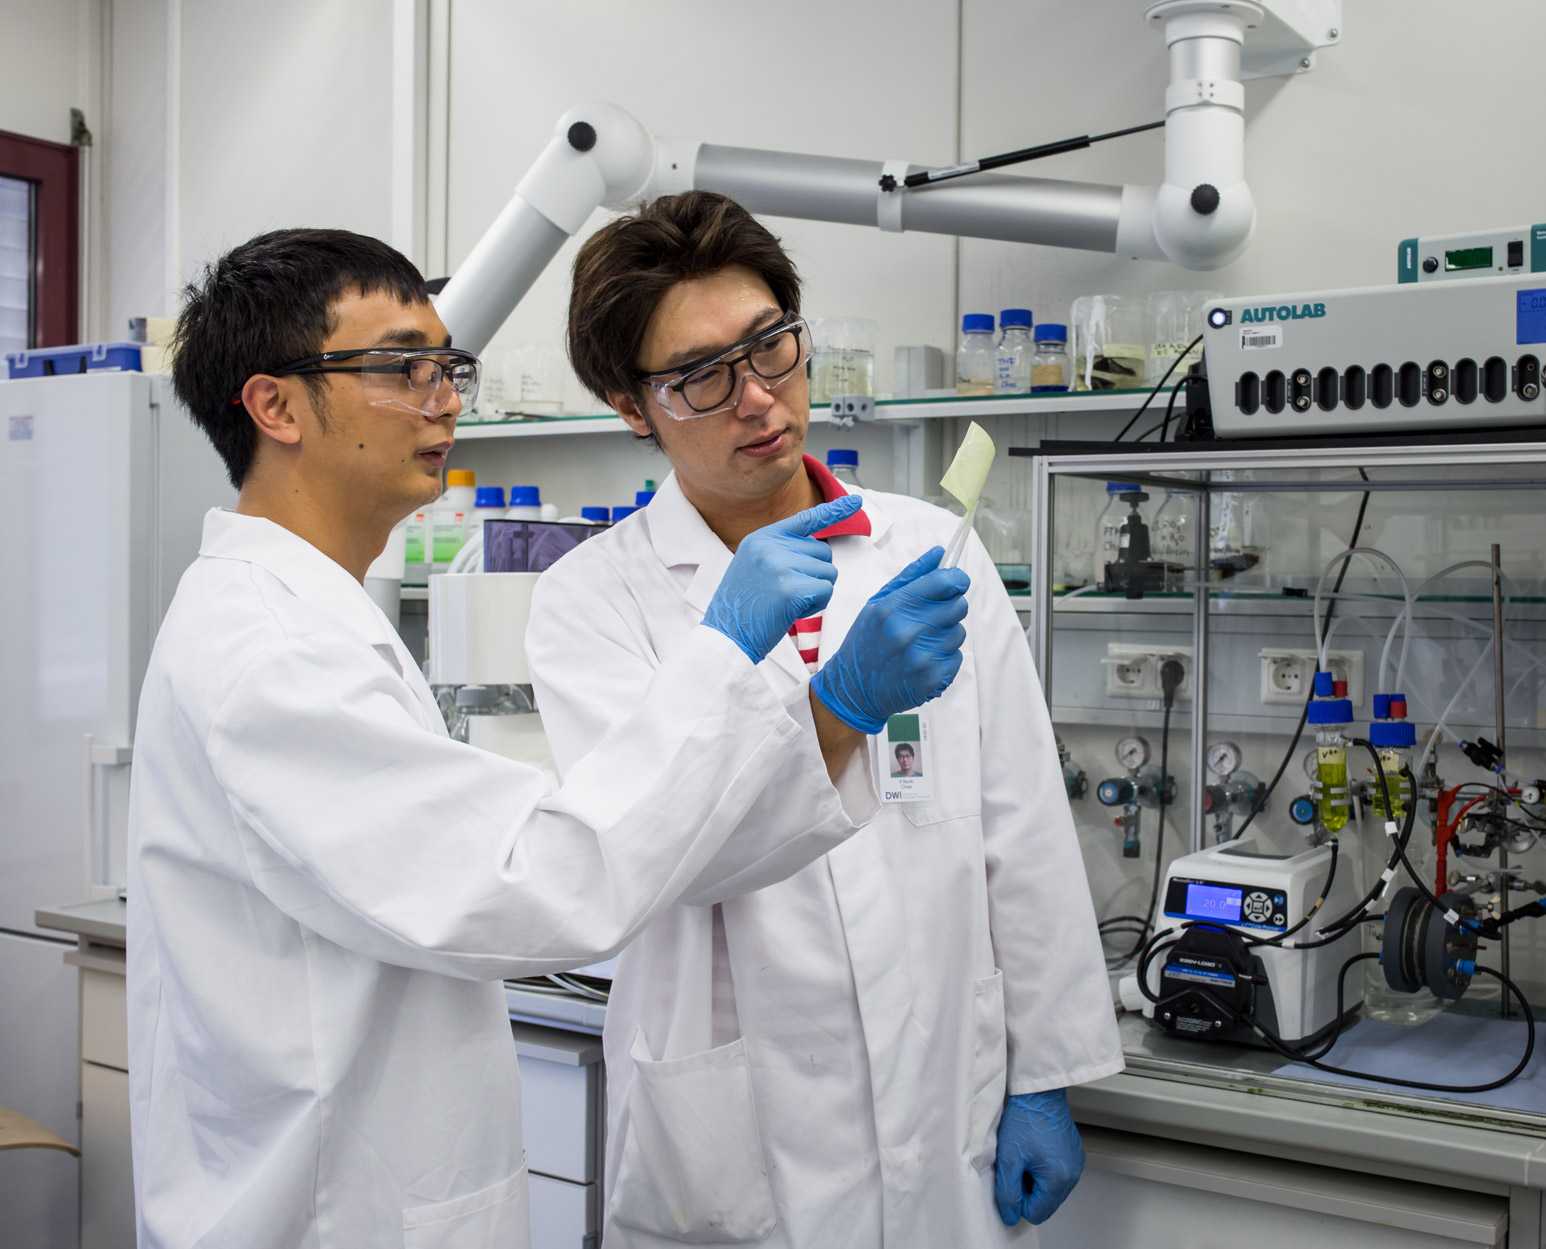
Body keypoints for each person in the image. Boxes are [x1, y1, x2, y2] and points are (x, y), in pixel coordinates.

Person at [127, 228, 969, 1249]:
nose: (446, 399)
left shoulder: (310, 620)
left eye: (449, 367)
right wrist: (734, 658)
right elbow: (542, 882)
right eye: (403, 367)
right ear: (276, 405)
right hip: (322, 1212)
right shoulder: (272, 652)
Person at [528, 191, 1123, 1248]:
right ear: (631, 406)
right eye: (701, 375)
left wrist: (1047, 1070)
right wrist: (838, 706)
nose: (758, 396)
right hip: (736, 1102)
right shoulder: (590, 600)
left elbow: (1020, 819)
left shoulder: (930, 550)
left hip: (942, 1089)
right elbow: (651, 851)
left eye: (771, 345)